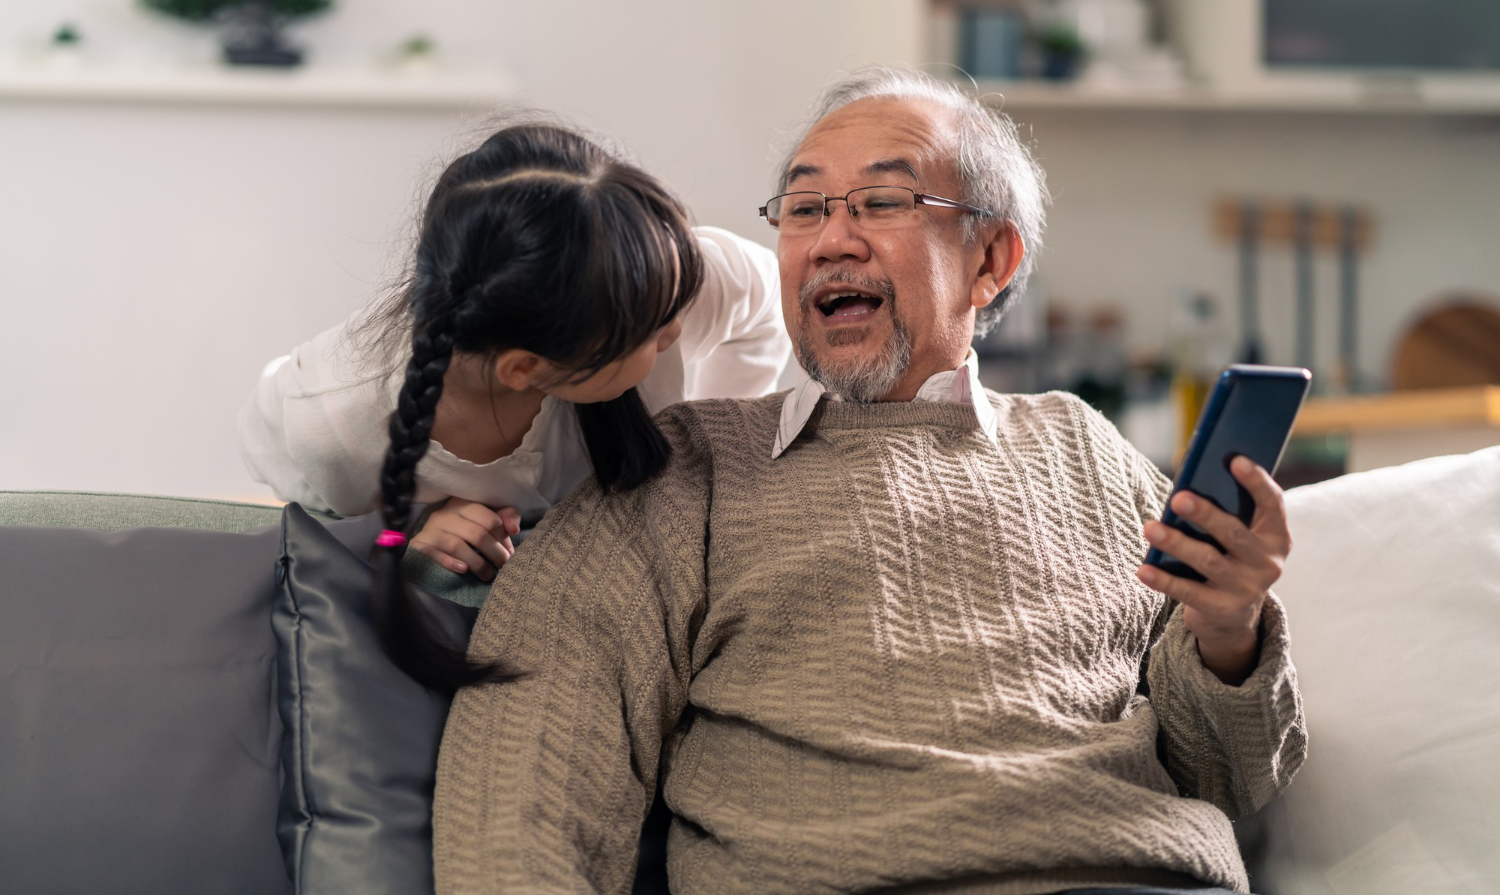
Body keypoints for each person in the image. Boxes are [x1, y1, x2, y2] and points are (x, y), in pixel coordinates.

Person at [432, 68, 1305, 895]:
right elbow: (523, 776)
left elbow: (1232, 777)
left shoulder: (1085, 449)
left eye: (883, 201)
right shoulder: (684, 471)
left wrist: (1227, 629)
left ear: (991, 260)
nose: (830, 241)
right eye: (804, 208)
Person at [238, 119, 790, 688]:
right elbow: (311, 524)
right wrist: (409, 527)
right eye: (651, 334)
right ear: (526, 369)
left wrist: (709, 444)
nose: (677, 331)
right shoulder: (333, 426)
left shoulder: (668, 279)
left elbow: (767, 306)